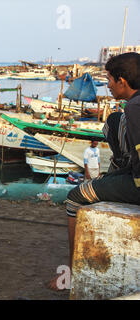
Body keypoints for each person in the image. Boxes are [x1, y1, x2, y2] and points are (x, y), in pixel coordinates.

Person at [50, 52, 140, 290]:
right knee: (114, 123)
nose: (108, 85)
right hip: (133, 176)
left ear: (122, 81)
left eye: (110, 79)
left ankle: (70, 276)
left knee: (74, 198)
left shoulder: (134, 107)